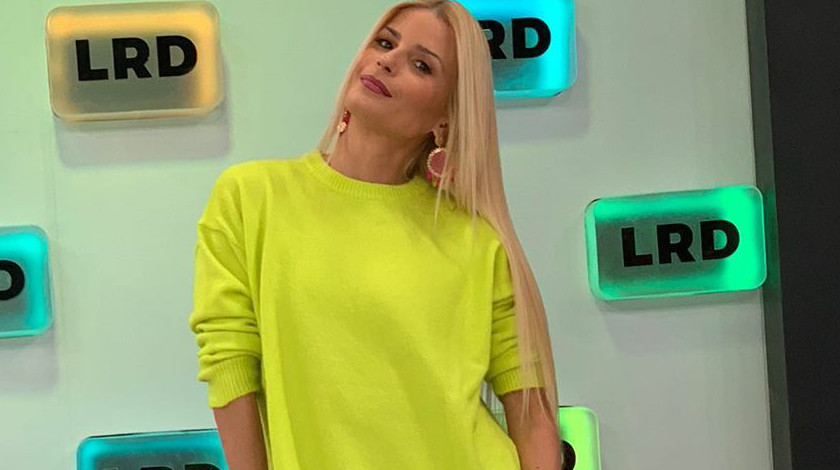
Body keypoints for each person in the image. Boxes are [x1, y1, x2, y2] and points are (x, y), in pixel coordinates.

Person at [188, 1, 563, 469]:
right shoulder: (251, 197)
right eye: (385, 43)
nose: (388, 60)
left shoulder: (475, 239)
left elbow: (532, 415)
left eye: (422, 65)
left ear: (445, 117)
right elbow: (229, 363)